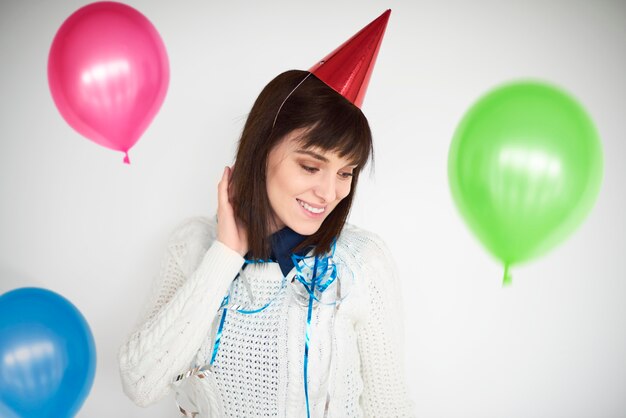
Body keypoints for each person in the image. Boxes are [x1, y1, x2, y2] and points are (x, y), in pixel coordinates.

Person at [119, 10, 414, 417]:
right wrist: (225, 254)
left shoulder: (362, 263)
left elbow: (391, 407)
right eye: (310, 166)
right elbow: (140, 384)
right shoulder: (191, 247)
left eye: (346, 172)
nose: (330, 193)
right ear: (261, 150)